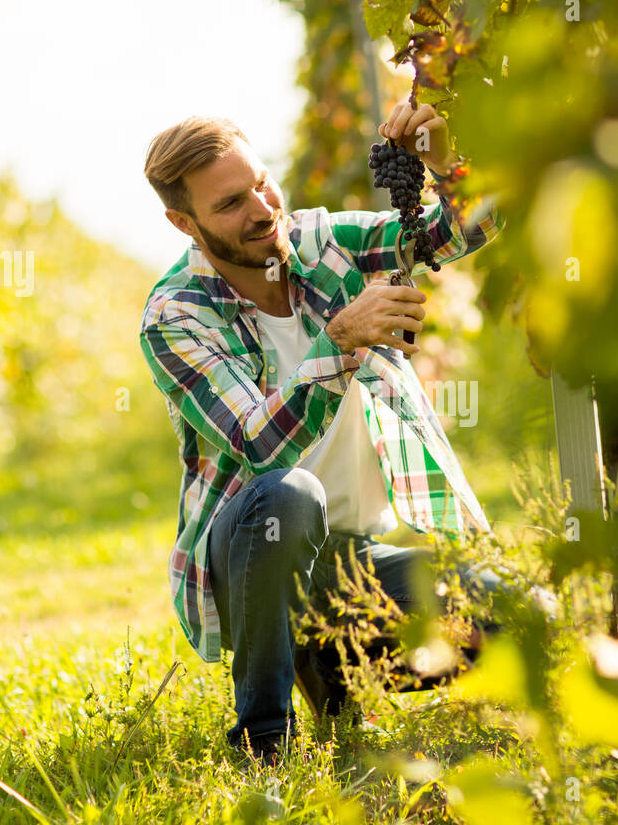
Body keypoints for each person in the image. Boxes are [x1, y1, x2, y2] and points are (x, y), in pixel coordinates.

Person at [140, 100, 509, 765]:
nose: (260, 208)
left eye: (261, 182)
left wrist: (443, 159)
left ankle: (335, 672)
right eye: (230, 205)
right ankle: (265, 739)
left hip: (354, 560)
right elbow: (258, 444)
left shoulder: (321, 244)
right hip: (252, 552)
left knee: (518, 615)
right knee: (289, 493)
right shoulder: (175, 317)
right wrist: (339, 341)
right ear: (182, 222)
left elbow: (461, 232)